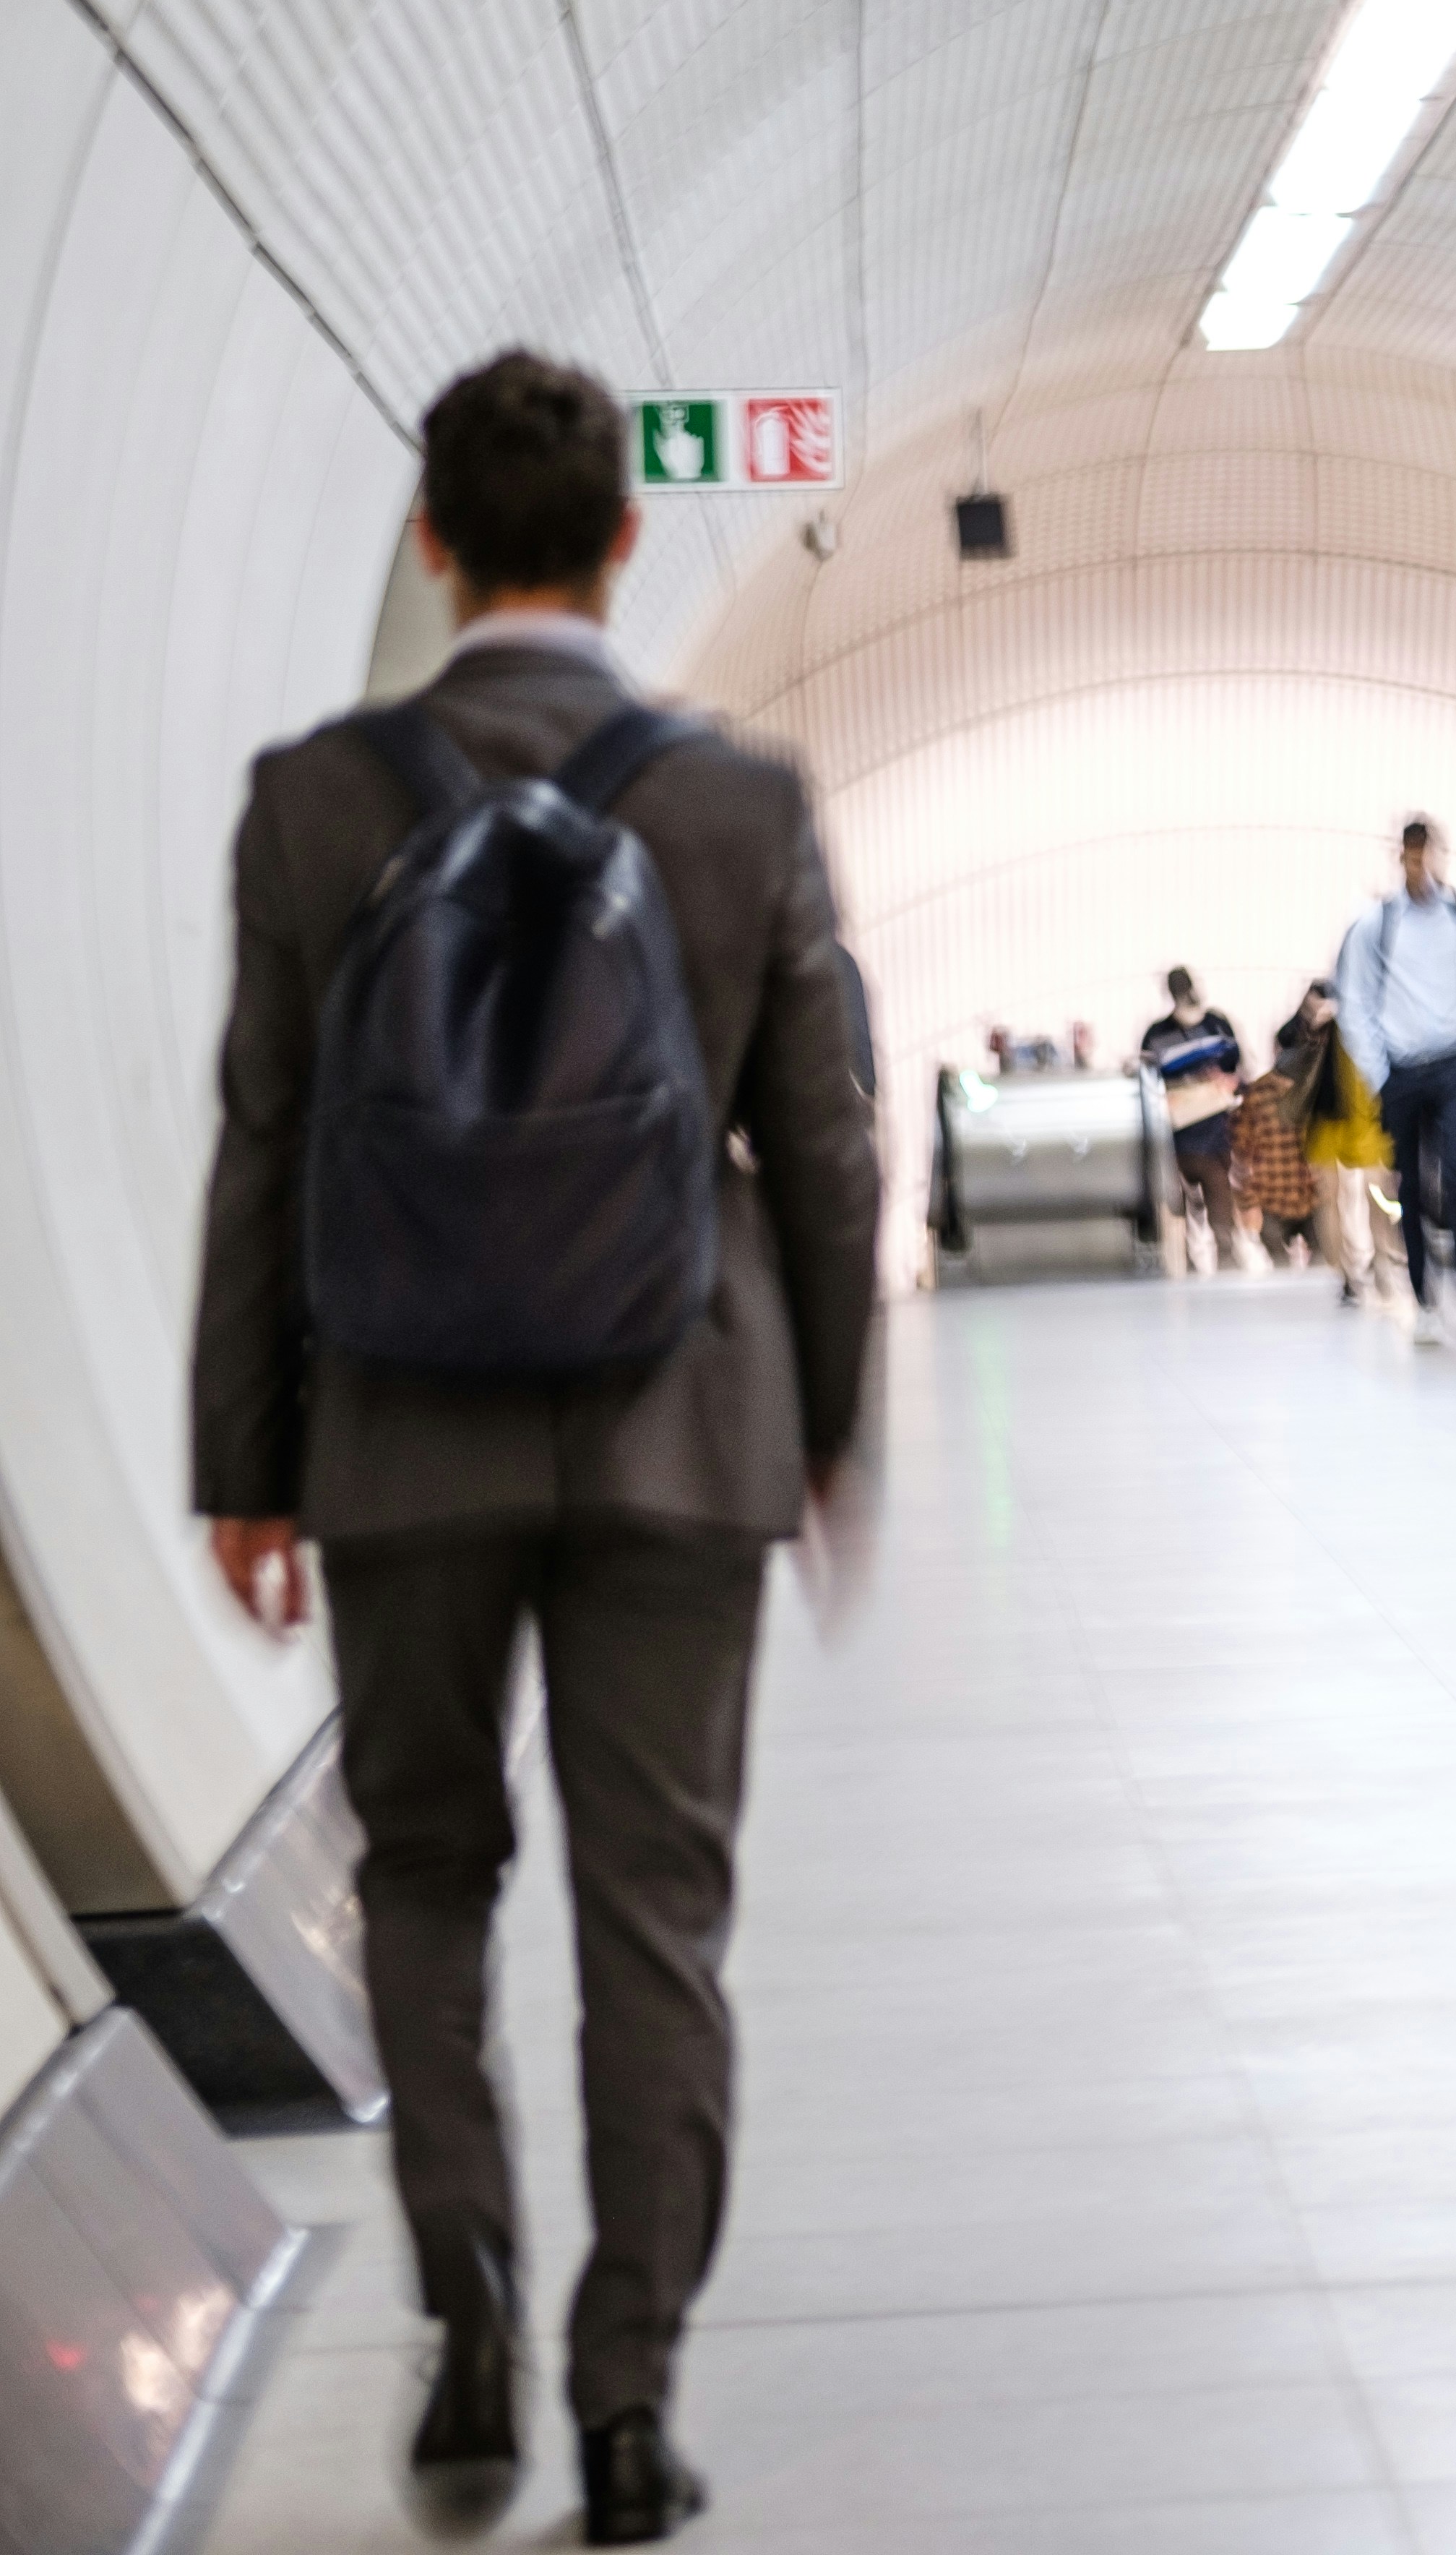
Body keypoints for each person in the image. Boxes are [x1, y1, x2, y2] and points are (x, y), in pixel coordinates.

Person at [189, 350, 880, 2546]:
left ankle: (465, 2287)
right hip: (684, 1427)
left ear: (428, 540)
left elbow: (266, 1144)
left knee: (422, 1873)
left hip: (399, 1432)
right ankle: (628, 2401)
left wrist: (247, 1458)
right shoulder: (741, 801)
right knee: (651, 1918)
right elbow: (833, 1150)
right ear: (622, 537)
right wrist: (833, 1431)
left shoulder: (314, 795)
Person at [1332, 817, 1456, 1346]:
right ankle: (1424, 1300)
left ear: (1440, 855)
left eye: (1428, 854)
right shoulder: (1377, 923)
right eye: (1412, 855)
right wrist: (1377, 1069)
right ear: (1402, 857)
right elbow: (1354, 997)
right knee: (1410, 1183)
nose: (1421, 864)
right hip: (1402, 1068)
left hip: (1455, 1059)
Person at [1278, 979, 1392, 1302]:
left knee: (1377, 1190)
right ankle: (1345, 1275)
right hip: (1327, 1115)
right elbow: (1286, 1039)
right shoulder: (1327, 992)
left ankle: (1381, 1262)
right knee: (1330, 1197)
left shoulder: (1378, 996)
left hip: (1368, 1111)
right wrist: (1310, 1018)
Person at [1140, 966, 1246, 1271]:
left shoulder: (1216, 1024)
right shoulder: (1157, 1034)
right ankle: (1185, 1255)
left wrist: (1224, 1081)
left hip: (1215, 1124)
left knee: (1217, 1187)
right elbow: (1149, 1076)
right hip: (1178, 1129)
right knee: (1180, 1195)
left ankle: (1225, 1250)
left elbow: (1235, 1065)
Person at [1233, 1017, 1322, 1271]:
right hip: (1309, 1197)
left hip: (1277, 1200)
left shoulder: (1257, 1093)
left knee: (1285, 1272)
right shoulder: (1315, 1092)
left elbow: (1240, 1150)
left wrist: (1247, 1198)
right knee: (1322, 1272)